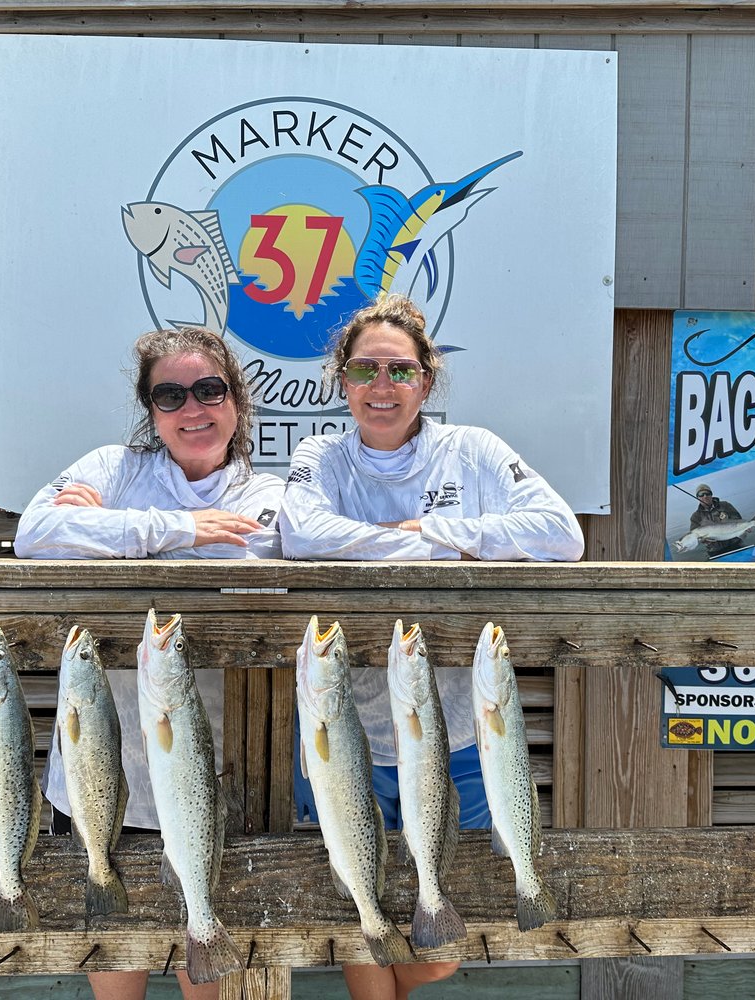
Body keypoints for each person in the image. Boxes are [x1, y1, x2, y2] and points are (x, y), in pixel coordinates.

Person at [279, 293, 584, 1000]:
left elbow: (558, 533)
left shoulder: (472, 451)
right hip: (339, 737)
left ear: (427, 379)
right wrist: (420, 542)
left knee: (444, 938)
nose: (381, 388)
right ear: (340, 379)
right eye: (363, 371)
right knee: (361, 914)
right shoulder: (320, 456)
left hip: (458, 742)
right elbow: (299, 534)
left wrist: (442, 533)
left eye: (400, 371)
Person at [13, 327, 283, 1000]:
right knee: (114, 971)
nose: (193, 409)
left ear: (238, 401)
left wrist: (104, 531)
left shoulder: (268, 493)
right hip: (98, 770)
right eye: (170, 395)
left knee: (209, 971)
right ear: (150, 410)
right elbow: (36, 534)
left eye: (209, 389)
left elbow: (255, 564)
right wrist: (178, 528)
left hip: (217, 772)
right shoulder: (113, 467)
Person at [689, 483, 744, 558]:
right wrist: (704, 540)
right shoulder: (695, 517)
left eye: (707, 493)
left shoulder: (725, 505)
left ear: (711, 495)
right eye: (701, 494)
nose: (705, 496)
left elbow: (738, 519)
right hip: (715, 551)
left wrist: (728, 518)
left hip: (736, 544)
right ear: (698, 497)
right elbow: (694, 536)